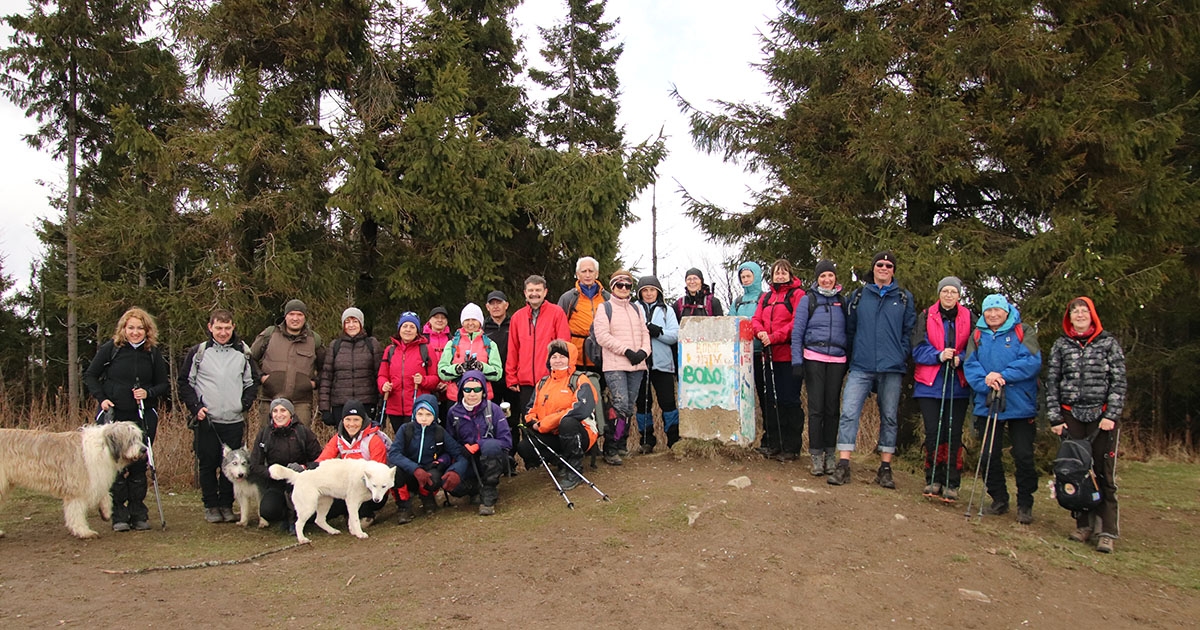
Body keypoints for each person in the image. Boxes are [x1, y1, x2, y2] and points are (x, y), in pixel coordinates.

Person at [1046, 296, 1126, 553]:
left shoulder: (1108, 343)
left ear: (1092, 315)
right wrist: (1056, 417)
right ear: (1069, 318)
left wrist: (1111, 415)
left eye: (1084, 311)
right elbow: (1052, 382)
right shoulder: (1061, 345)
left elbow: (1118, 381)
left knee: (1103, 472)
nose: (1080, 315)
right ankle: (1083, 524)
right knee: (1075, 471)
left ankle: (1107, 530)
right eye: (1075, 312)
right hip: (1071, 415)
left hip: (1101, 416)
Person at [829, 252, 915, 489]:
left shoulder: (904, 298)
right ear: (873, 267)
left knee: (889, 417)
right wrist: (853, 356)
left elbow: (908, 331)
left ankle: (885, 468)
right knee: (848, 413)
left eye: (889, 265)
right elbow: (850, 330)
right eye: (880, 264)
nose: (884, 268)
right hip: (861, 365)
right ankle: (844, 464)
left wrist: (900, 353)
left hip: (892, 367)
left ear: (893, 270)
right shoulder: (858, 296)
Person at [83, 307, 171, 532]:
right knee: (115, 465)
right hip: (115, 415)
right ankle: (118, 514)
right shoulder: (111, 349)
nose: (135, 332)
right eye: (131, 328)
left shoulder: (152, 353)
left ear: (147, 330)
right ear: (124, 328)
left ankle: (138, 512)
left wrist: (148, 393)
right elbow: (90, 375)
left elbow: (163, 384)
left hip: (142, 415)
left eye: (140, 328)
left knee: (140, 464)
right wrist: (102, 398)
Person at [963, 293, 1042, 524]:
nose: (993, 314)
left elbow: (1032, 360)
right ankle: (998, 498)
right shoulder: (977, 335)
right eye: (988, 310)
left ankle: (1025, 502)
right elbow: (970, 364)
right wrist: (986, 380)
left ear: (1007, 311)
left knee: (1024, 455)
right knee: (988, 455)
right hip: (988, 401)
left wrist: (1003, 376)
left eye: (998, 310)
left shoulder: (1023, 331)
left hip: (1020, 403)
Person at [178, 308, 259, 524]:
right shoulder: (199, 352)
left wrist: (244, 403)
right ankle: (210, 506)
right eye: (219, 328)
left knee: (233, 465)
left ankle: (226, 505)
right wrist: (196, 408)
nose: (223, 332)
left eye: (227, 328)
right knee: (208, 463)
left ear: (233, 327)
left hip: (234, 421)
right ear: (210, 327)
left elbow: (252, 382)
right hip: (207, 420)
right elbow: (184, 383)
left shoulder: (243, 352)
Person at [911, 277, 972, 500]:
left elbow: (975, 347)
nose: (948, 295)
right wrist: (938, 355)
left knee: (953, 433)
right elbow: (917, 348)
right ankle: (932, 477)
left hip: (958, 383)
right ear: (939, 293)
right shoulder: (926, 315)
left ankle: (952, 481)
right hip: (929, 384)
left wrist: (961, 358)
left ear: (958, 295)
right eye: (945, 291)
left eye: (953, 292)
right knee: (933, 432)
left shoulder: (969, 317)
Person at [790, 260, 847, 476]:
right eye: (822, 276)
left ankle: (830, 454)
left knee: (833, 410)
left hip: (838, 360)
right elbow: (798, 332)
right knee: (816, 409)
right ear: (817, 278)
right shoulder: (808, 300)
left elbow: (850, 331)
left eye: (830, 275)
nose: (827, 279)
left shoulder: (843, 301)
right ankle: (815, 455)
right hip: (813, 357)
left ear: (835, 278)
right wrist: (797, 361)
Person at [517, 340, 599, 491]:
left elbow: (580, 410)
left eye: (562, 357)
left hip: (580, 433)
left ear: (571, 359)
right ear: (548, 360)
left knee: (567, 422)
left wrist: (547, 423)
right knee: (525, 446)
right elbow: (530, 410)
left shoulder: (579, 380)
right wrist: (533, 422)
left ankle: (574, 471)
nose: (558, 360)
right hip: (552, 433)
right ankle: (561, 462)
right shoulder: (542, 383)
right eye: (553, 357)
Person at [592, 269, 651, 465]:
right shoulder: (604, 308)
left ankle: (622, 444)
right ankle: (611, 446)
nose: (624, 288)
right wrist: (626, 350)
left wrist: (644, 352)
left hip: (637, 364)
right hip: (615, 364)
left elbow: (645, 333)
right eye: (620, 285)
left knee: (628, 406)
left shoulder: (636, 309)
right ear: (613, 287)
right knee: (618, 405)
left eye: (628, 285)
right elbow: (602, 336)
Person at [751, 259, 806, 462]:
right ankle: (774, 443)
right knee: (772, 401)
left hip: (790, 356)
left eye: (784, 273)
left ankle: (792, 447)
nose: (780, 276)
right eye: (776, 273)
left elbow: (796, 323)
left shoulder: (797, 295)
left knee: (789, 400)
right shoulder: (766, 297)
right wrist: (761, 333)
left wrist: (774, 337)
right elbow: (756, 320)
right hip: (769, 356)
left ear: (790, 275)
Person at [386, 394, 467, 523]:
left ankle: (427, 497)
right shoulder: (406, 429)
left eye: (428, 414)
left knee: (434, 477)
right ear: (414, 414)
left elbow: (458, 454)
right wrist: (415, 469)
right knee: (394, 472)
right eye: (420, 414)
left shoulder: (439, 432)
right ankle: (404, 506)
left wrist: (455, 471)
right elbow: (394, 454)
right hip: (408, 470)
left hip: (428, 471)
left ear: (435, 415)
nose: (424, 418)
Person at [247, 397, 323, 532]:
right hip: (277, 483)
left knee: (313, 513)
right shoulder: (264, 434)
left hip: (301, 481)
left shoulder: (303, 432)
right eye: (275, 411)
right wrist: (272, 472)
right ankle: (286, 516)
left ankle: (299, 519)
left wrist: (303, 468)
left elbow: (320, 460)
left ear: (291, 413)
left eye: (283, 410)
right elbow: (254, 465)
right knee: (268, 511)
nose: (279, 414)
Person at [314, 400, 390, 528]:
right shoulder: (338, 438)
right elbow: (324, 459)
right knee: (319, 509)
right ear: (343, 421)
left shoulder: (374, 439)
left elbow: (378, 472)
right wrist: (311, 469)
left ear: (363, 420)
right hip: (347, 487)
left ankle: (366, 514)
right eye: (348, 420)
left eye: (356, 420)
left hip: (371, 490)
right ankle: (346, 512)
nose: (351, 424)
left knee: (359, 496)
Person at [445, 371, 512, 515]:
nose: (472, 393)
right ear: (462, 390)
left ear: (483, 390)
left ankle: (489, 491)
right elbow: (450, 441)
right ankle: (475, 488)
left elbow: (506, 441)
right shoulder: (453, 412)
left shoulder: (493, 409)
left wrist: (479, 445)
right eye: (467, 389)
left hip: (491, 457)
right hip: (467, 458)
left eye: (477, 389)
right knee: (452, 484)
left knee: (491, 446)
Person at [506, 275, 571, 421]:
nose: (534, 293)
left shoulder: (557, 313)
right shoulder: (517, 317)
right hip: (526, 382)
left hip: (550, 379)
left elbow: (564, 346)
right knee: (529, 420)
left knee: (550, 420)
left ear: (545, 292)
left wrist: (563, 373)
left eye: (538, 290)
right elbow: (513, 349)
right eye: (530, 290)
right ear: (525, 293)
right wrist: (511, 377)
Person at [251, 299, 325, 425]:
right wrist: (262, 378)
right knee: (268, 440)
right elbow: (250, 358)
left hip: (301, 402)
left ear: (305, 317)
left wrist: (313, 383)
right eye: (291, 314)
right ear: (285, 316)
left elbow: (326, 367)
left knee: (300, 440)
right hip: (270, 400)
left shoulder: (314, 339)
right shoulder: (270, 334)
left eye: (299, 315)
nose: (295, 318)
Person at [634, 275, 680, 453]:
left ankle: (674, 440)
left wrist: (658, 332)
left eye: (652, 290)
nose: (649, 293)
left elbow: (674, 335)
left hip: (663, 364)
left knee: (667, 402)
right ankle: (646, 440)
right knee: (643, 402)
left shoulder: (667, 310)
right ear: (640, 293)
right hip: (640, 363)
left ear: (658, 291)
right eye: (645, 290)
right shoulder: (634, 309)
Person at [731, 262, 772, 455]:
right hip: (740, 358)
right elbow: (731, 323)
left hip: (761, 354)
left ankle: (769, 438)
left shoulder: (766, 298)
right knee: (740, 398)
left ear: (756, 276)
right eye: (743, 277)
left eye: (748, 276)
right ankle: (740, 436)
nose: (746, 280)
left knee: (766, 397)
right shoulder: (738, 301)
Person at [318, 307, 383, 427]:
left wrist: (381, 407)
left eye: (355, 321)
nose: (351, 325)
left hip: (367, 403)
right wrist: (325, 409)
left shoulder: (372, 344)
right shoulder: (335, 346)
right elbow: (326, 378)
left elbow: (380, 376)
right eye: (347, 322)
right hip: (340, 404)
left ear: (361, 323)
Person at [378, 312, 438, 433]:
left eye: (412, 327)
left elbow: (436, 378)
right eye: (405, 326)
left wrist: (423, 380)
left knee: (414, 441)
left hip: (418, 407)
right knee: (400, 440)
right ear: (399, 329)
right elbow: (382, 375)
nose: (408, 330)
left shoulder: (426, 349)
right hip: (394, 407)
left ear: (417, 331)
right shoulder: (390, 350)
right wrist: (383, 385)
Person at [437, 303, 503, 402]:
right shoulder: (452, 344)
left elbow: (497, 373)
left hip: (482, 396)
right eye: (467, 320)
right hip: (456, 397)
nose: (470, 323)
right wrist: (458, 369)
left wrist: (481, 367)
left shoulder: (490, 344)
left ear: (480, 322)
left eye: (474, 320)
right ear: (462, 322)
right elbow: (442, 371)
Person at [557, 256, 610, 372]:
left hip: (602, 356)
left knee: (598, 389)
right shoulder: (568, 298)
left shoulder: (607, 298)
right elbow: (558, 326)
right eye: (584, 271)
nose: (587, 275)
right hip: (576, 358)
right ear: (577, 274)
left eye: (591, 271)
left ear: (597, 274)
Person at [423, 306, 453, 406]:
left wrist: (447, 384)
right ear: (430, 320)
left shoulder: (453, 339)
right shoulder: (422, 340)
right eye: (436, 317)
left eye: (443, 317)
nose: (440, 320)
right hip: (427, 388)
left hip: (449, 388)